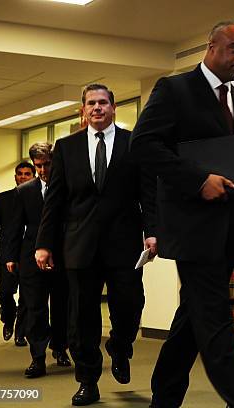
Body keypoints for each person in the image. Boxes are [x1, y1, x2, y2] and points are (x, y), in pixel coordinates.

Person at [130, 22, 234, 408]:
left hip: (230, 228)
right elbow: (143, 146)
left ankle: (164, 397)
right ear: (211, 46)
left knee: (193, 317)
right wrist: (197, 180)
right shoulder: (174, 90)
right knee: (216, 321)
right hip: (191, 228)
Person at [35, 83, 157, 406]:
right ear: (83, 110)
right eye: (91, 103)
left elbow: (148, 194)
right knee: (82, 318)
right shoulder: (66, 147)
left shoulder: (135, 144)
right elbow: (55, 202)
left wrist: (153, 232)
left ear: (113, 108)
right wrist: (44, 244)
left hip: (124, 244)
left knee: (130, 305)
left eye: (103, 102)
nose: (97, 108)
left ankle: (120, 346)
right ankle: (87, 380)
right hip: (79, 245)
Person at [5, 143, 71, 378]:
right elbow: (14, 227)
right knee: (35, 308)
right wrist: (10, 257)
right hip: (31, 258)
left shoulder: (67, 187)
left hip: (62, 255)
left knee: (62, 306)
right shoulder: (24, 191)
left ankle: (61, 348)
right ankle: (38, 357)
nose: (43, 170)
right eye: (39, 166)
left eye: (47, 165)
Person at [0, 162, 34, 346]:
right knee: (5, 292)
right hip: (7, 254)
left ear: (33, 176)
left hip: (29, 254)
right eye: (20, 174)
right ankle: (8, 318)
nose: (23, 177)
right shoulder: (2, 198)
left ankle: (20, 333)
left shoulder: (37, 198)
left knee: (26, 297)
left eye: (27, 174)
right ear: (15, 176)